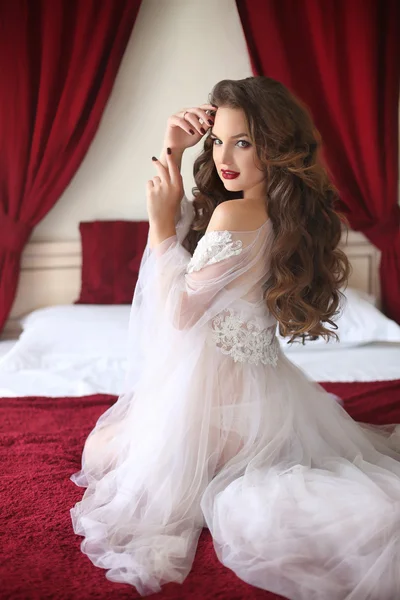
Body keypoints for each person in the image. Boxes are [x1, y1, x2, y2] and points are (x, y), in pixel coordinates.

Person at [70, 76, 400, 600]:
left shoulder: (234, 212)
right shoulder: (279, 212)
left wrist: (159, 226)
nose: (225, 156)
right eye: (218, 140)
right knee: (115, 447)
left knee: (102, 453)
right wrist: (171, 151)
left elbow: (178, 313)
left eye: (243, 142)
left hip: (221, 416)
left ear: (274, 145)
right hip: (262, 404)